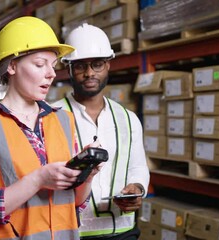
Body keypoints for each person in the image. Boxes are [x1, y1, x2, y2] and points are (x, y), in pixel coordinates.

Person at [0, 16, 100, 240]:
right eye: (40, 64)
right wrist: (38, 180)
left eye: (52, 66)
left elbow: (76, 204)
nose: (51, 74)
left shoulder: (63, 120)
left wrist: (86, 177)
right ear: (12, 66)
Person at [53, 23, 150, 240]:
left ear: (108, 65)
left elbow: (138, 166)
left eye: (97, 64)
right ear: (68, 68)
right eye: (80, 66)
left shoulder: (127, 118)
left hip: (123, 231)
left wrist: (137, 187)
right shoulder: (52, 117)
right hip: (71, 233)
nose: (89, 73)